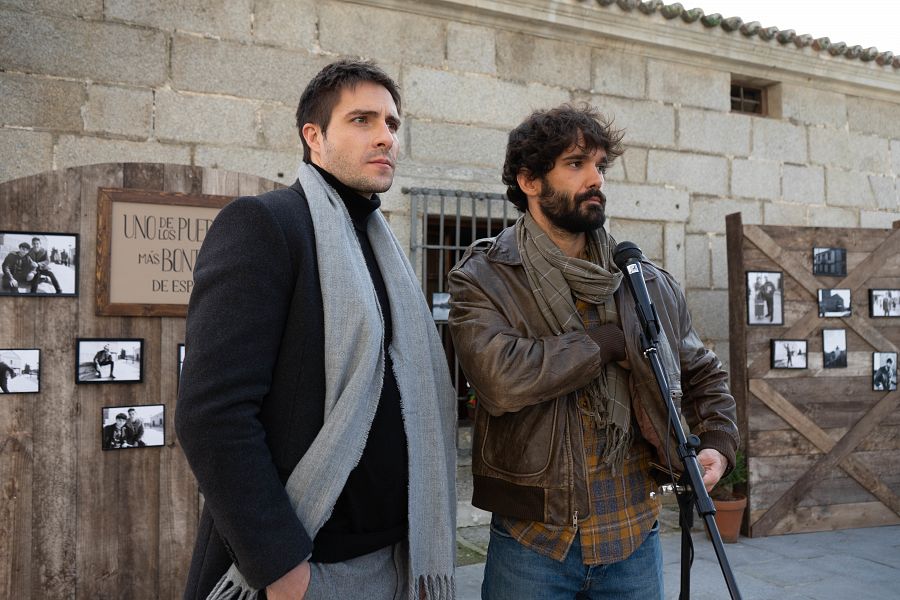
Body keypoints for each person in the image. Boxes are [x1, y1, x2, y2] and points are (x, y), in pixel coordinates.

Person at [175, 59, 456, 600]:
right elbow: (212, 413)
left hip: (398, 561)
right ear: (314, 137)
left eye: (392, 124)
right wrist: (282, 569)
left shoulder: (382, 248)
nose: (384, 137)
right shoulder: (267, 225)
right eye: (362, 120)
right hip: (308, 570)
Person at [448, 104, 739, 600]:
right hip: (533, 542)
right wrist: (607, 343)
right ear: (529, 181)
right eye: (576, 164)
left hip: (634, 536)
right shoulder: (484, 278)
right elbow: (500, 377)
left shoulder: (643, 283)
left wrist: (717, 441)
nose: (595, 179)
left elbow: (702, 372)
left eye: (600, 166)